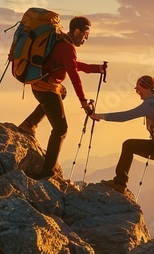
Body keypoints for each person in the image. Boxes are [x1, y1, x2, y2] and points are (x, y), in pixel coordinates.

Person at [89, 75, 154, 243]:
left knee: (128, 145)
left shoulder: (149, 104)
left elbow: (125, 116)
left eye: (137, 87)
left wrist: (98, 116)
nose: (136, 91)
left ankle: (120, 182)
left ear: (144, 86)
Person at [18, 16, 106, 179]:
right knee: (61, 129)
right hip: (46, 88)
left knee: (62, 92)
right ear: (77, 31)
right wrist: (83, 101)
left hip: (40, 83)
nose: (86, 39)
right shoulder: (67, 47)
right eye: (85, 35)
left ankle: (29, 124)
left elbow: (72, 65)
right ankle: (47, 171)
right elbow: (74, 75)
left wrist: (96, 68)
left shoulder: (61, 40)